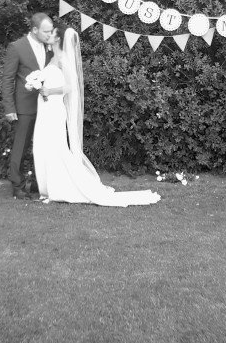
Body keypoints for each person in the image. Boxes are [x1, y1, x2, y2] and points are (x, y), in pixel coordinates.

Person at [31, 24, 161, 207]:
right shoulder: (53, 57)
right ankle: (49, 188)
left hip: (54, 109)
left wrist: (49, 91)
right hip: (46, 109)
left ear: (58, 38)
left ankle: (59, 188)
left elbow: (70, 87)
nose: (48, 36)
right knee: (45, 146)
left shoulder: (63, 59)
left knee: (56, 147)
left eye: (51, 33)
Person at [2, 13, 54, 199]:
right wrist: (9, 108)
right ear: (34, 29)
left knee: (42, 146)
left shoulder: (50, 47)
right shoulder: (16, 47)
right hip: (24, 107)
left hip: (46, 106)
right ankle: (17, 185)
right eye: (46, 32)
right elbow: (8, 79)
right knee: (21, 147)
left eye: (51, 31)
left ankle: (38, 183)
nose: (50, 35)